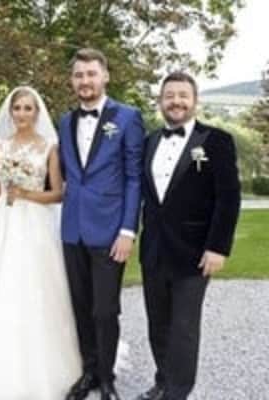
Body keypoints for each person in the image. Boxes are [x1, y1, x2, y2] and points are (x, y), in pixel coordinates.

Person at [0, 86, 81, 400]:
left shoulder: (49, 146)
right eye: (17, 108)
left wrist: (27, 193)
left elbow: (58, 193)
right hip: (5, 221)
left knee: (37, 287)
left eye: (28, 108)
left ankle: (47, 367)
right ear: (11, 112)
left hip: (36, 223)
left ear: (37, 113)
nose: (22, 113)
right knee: (0, 285)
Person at [137, 72, 241, 400]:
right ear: (160, 101)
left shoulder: (217, 140)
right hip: (154, 250)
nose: (176, 101)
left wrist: (218, 247)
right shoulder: (149, 141)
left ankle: (177, 393)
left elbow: (228, 198)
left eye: (183, 95)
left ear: (195, 101)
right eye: (170, 96)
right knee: (158, 323)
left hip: (194, 252)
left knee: (183, 327)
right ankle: (163, 381)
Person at [59, 48, 145, 400]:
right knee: (80, 306)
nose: (85, 81)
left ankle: (108, 378)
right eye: (79, 75)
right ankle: (89, 372)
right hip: (72, 229)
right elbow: (63, 174)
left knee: (105, 309)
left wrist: (128, 230)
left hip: (110, 231)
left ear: (105, 76)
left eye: (91, 74)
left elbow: (134, 178)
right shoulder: (65, 121)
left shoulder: (127, 117)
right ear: (72, 80)